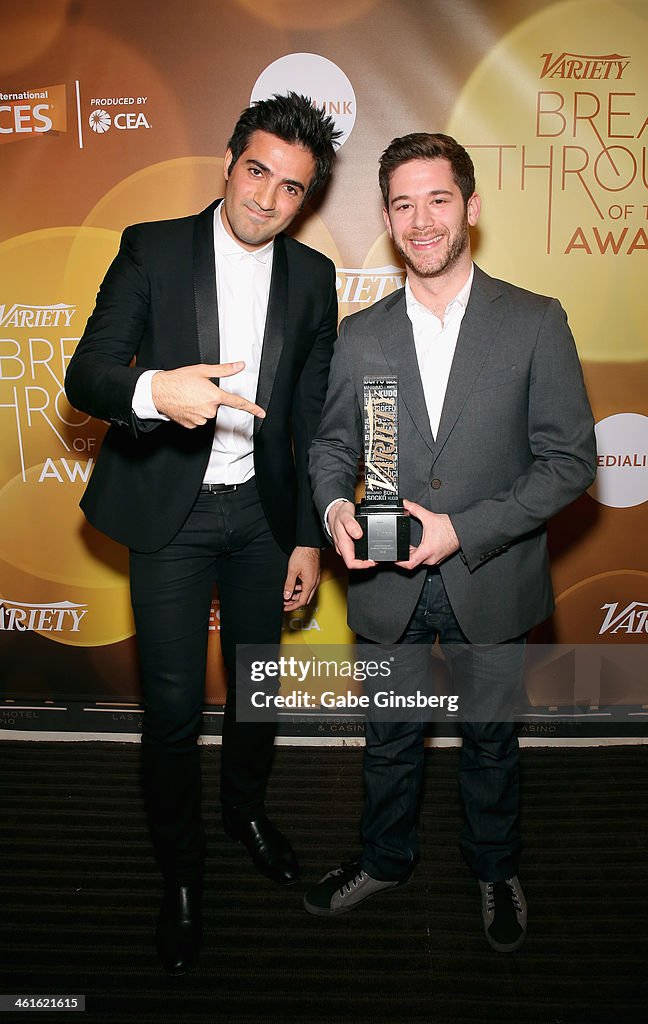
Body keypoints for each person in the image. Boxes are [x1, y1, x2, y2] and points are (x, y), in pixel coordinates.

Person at [65, 92, 341, 974]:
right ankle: (181, 873)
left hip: (264, 519)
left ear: (306, 199)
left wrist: (306, 537)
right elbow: (87, 375)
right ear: (228, 161)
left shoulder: (314, 280)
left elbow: (309, 419)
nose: (267, 198)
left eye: (291, 188)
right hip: (171, 516)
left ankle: (246, 813)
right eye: (257, 171)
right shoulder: (151, 247)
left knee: (257, 691)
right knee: (176, 714)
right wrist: (156, 391)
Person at [306, 132, 596, 952]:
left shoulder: (536, 322)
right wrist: (333, 510)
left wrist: (463, 530)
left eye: (438, 199)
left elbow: (570, 461)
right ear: (389, 218)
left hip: (492, 574)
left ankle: (495, 867)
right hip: (385, 582)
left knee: (492, 743)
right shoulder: (361, 335)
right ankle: (385, 858)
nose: (421, 220)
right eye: (403, 203)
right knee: (389, 741)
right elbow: (332, 447)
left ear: (470, 206)